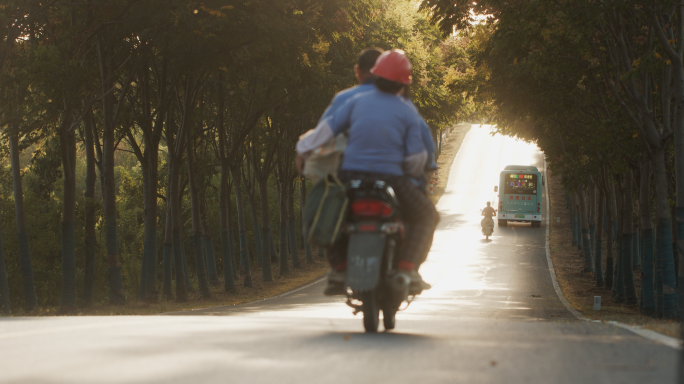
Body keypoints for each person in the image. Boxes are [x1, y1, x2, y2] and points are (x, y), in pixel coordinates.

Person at [296, 49, 439, 295]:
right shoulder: (406, 109)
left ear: (371, 74)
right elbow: (417, 158)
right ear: (404, 83)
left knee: (330, 212)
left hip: (350, 176)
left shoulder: (353, 101)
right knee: (427, 216)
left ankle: (340, 268)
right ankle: (406, 268)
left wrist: (301, 150)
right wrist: (403, 170)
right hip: (392, 178)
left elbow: (325, 131)